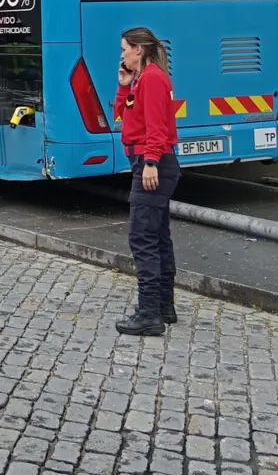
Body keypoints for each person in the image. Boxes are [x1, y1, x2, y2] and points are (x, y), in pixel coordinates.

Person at [114, 26, 180, 337]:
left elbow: (157, 126)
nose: (122, 54)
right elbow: (121, 117)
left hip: (152, 163)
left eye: (125, 48)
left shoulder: (153, 79)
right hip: (149, 161)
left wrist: (151, 162)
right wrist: (124, 85)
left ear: (138, 49)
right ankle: (164, 307)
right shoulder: (142, 79)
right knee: (157, 236)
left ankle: (149, 312)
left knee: (143, 238)